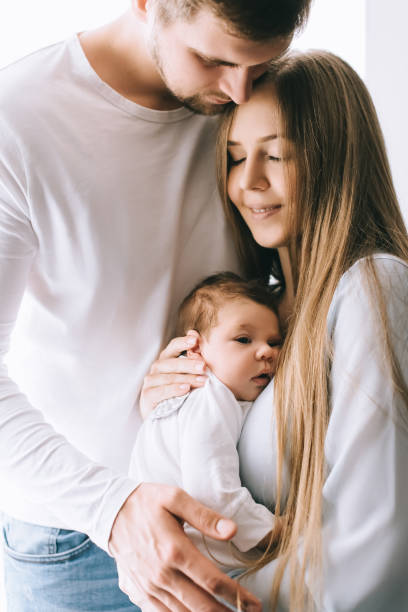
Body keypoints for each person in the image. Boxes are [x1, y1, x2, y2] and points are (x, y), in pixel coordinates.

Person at [0, 0, 312, 610]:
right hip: (78, 535)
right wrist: (112, 508)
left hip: (244, 503)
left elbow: (295, 267)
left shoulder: (256, 100)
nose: (238, 89)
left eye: (259, 63)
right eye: (213, 59)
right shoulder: (19, 121)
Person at [144, 50, 408, 610]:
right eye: (237, 158)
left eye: (277, 156)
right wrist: (167, 406)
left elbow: (374, 551)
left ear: (336, 159)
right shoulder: (255, 311)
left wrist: (215, 596)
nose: (250, 183)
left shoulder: (374, 289)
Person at [130, 272, 283, 578]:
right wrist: (276, 530)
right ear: (196, 350)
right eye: (244, 339)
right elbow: (213, 491)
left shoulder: (206, 397)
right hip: (195, 563)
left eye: (274, 342)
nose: (266, 351)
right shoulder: (209, 397)